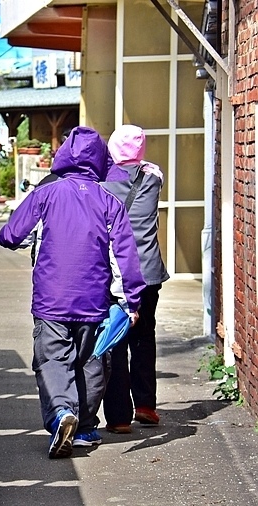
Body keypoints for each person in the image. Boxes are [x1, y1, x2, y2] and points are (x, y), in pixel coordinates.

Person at [0, 126, 146, 459]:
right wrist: (130, 301)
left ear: (64, 155)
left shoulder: (46, 194)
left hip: (51, 297)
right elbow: (125, 259)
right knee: (92, 363)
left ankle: (62, 413)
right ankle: (86, 428)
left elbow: (10, 235)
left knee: (52, 361)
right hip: (94, 300)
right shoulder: (110, 202)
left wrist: (36, 239)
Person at [101, 124, 170, 433]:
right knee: (144, 336)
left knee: (115, 339)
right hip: (149, 271)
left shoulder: (102, 181)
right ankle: (146, 405)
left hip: (114, 272)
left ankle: (118, 418)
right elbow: (151, 169)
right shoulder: (153, 178)